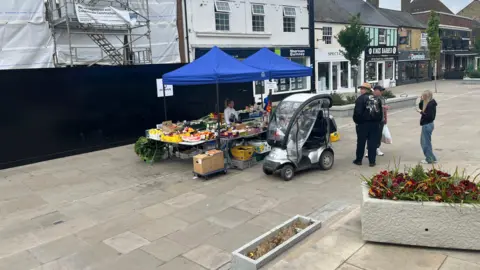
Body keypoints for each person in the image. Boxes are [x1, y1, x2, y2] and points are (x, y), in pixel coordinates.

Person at [353, 82, 383, 167]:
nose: (361, 90)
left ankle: (359, 160)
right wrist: (378, 122)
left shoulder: (360, 99)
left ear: (366, 90)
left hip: (363, 124)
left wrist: (357, 122)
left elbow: (357, 113)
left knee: (361, 142)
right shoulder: (376, 99)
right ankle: (372, 161)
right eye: (360, 88)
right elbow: (380, 113)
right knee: (372, 143)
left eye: (362, 89)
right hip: (375, 124)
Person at [366, 85, 387, 157]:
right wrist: (382, 107)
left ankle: (377, 148)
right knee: (370, 136)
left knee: (378, 135)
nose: (381, 92)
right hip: (372, 120)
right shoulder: (370, 98)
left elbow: (384, 110)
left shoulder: (382, 98)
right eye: (380, 90)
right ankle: (369, 150)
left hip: (380, 120)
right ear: (375, 90)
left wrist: (385, 119)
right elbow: (370, 107)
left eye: (382, 91)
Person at [418, 90, 437, 164]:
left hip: (427, 124)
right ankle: (432, 157)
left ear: (426, 96)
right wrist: (421, 100)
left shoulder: (430, 105)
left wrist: (422, 113)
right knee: (426, 142)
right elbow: (421, 106)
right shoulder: (429, 103)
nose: (422, 97)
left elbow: (429, 116)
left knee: (425, 143)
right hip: (428, 124)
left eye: (423, 96)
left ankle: (429, 159)